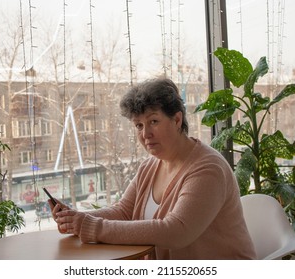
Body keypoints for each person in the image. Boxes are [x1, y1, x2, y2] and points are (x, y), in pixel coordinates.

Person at [49, 78, 256, 259]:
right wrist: (75, 219)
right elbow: (123, 211)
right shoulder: (150, 166)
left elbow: (176, 231)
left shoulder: (208, 169)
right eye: (139, 125)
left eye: (153, 121)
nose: (145, 133)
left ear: (176, 120)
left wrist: (92, 227)